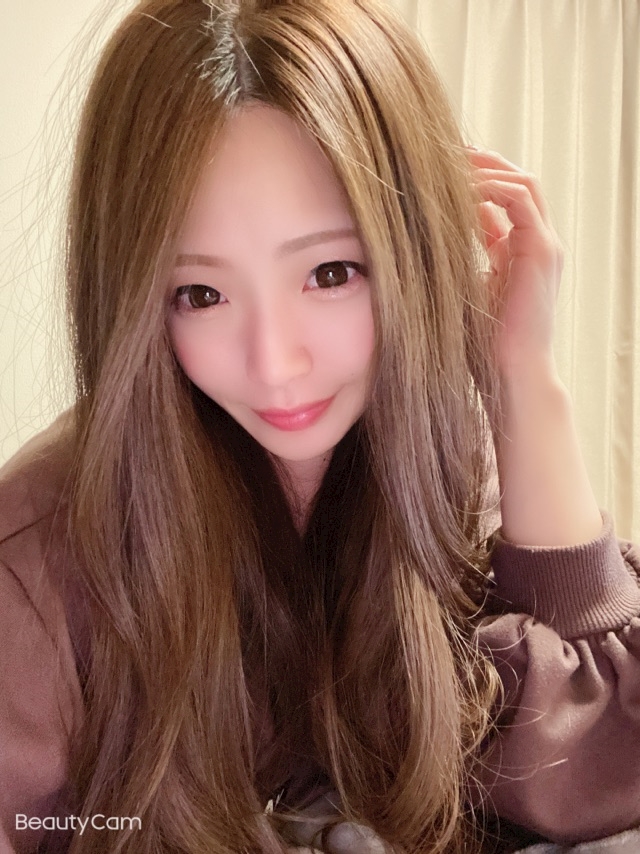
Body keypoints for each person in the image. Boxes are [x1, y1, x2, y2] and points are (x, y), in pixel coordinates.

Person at [1, 0, 639, 852]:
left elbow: (600, 760)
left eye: (331, 273)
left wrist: (523, 378)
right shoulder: (39, 565)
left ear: (413, 254)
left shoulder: (429, 457)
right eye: (201, 294)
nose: (276, 364)